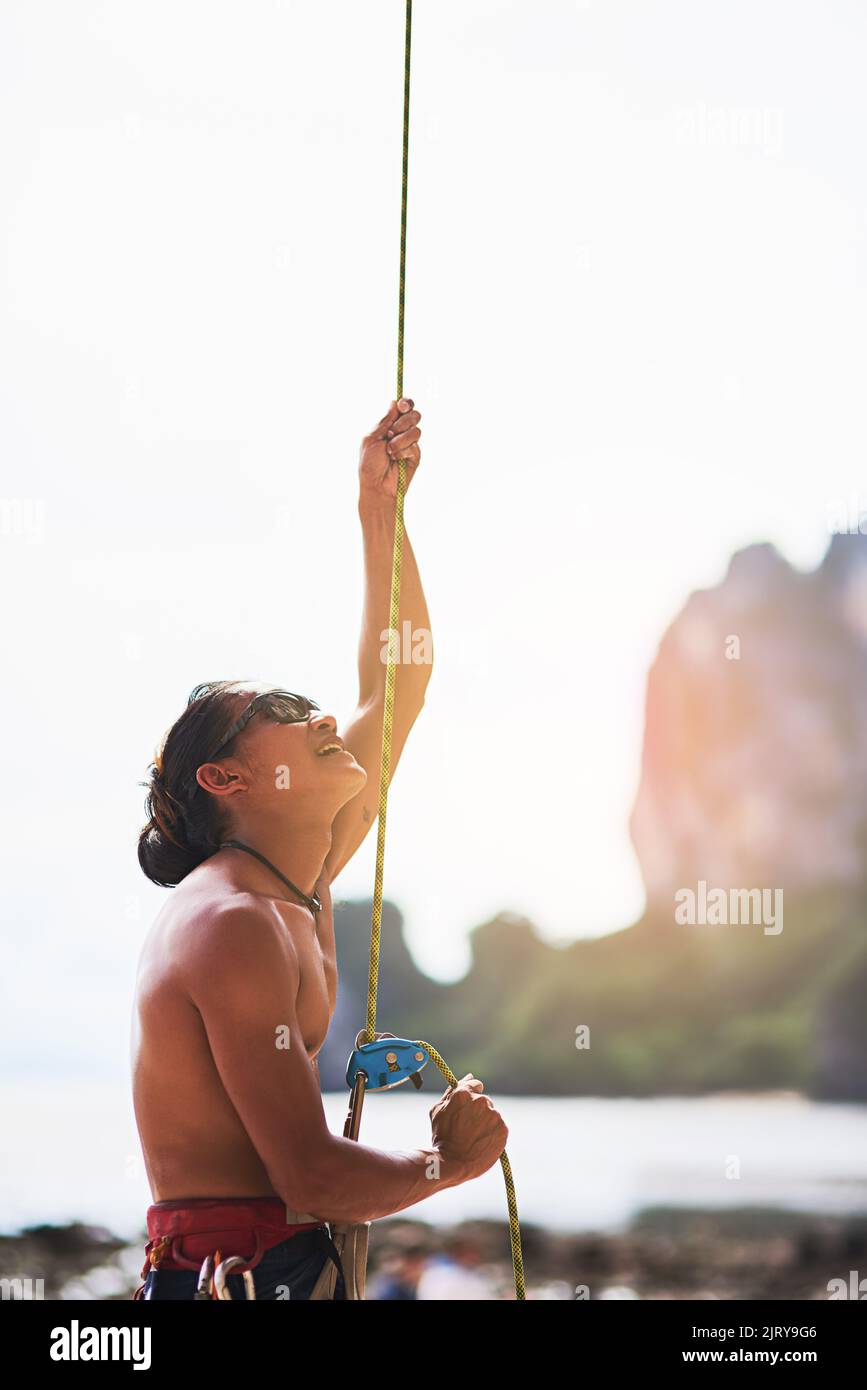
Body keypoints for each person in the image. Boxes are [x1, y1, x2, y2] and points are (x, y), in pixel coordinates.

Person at [130, 399, 508, 1299]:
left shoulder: (302, 875)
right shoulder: (231, 923)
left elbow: (399, 676)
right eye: (286, 718)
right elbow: (309, 1178)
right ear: (226, 781)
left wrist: (381, 511)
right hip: (229, 1281)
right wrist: (444, 1167)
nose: (327, 719)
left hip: (285, 1267)